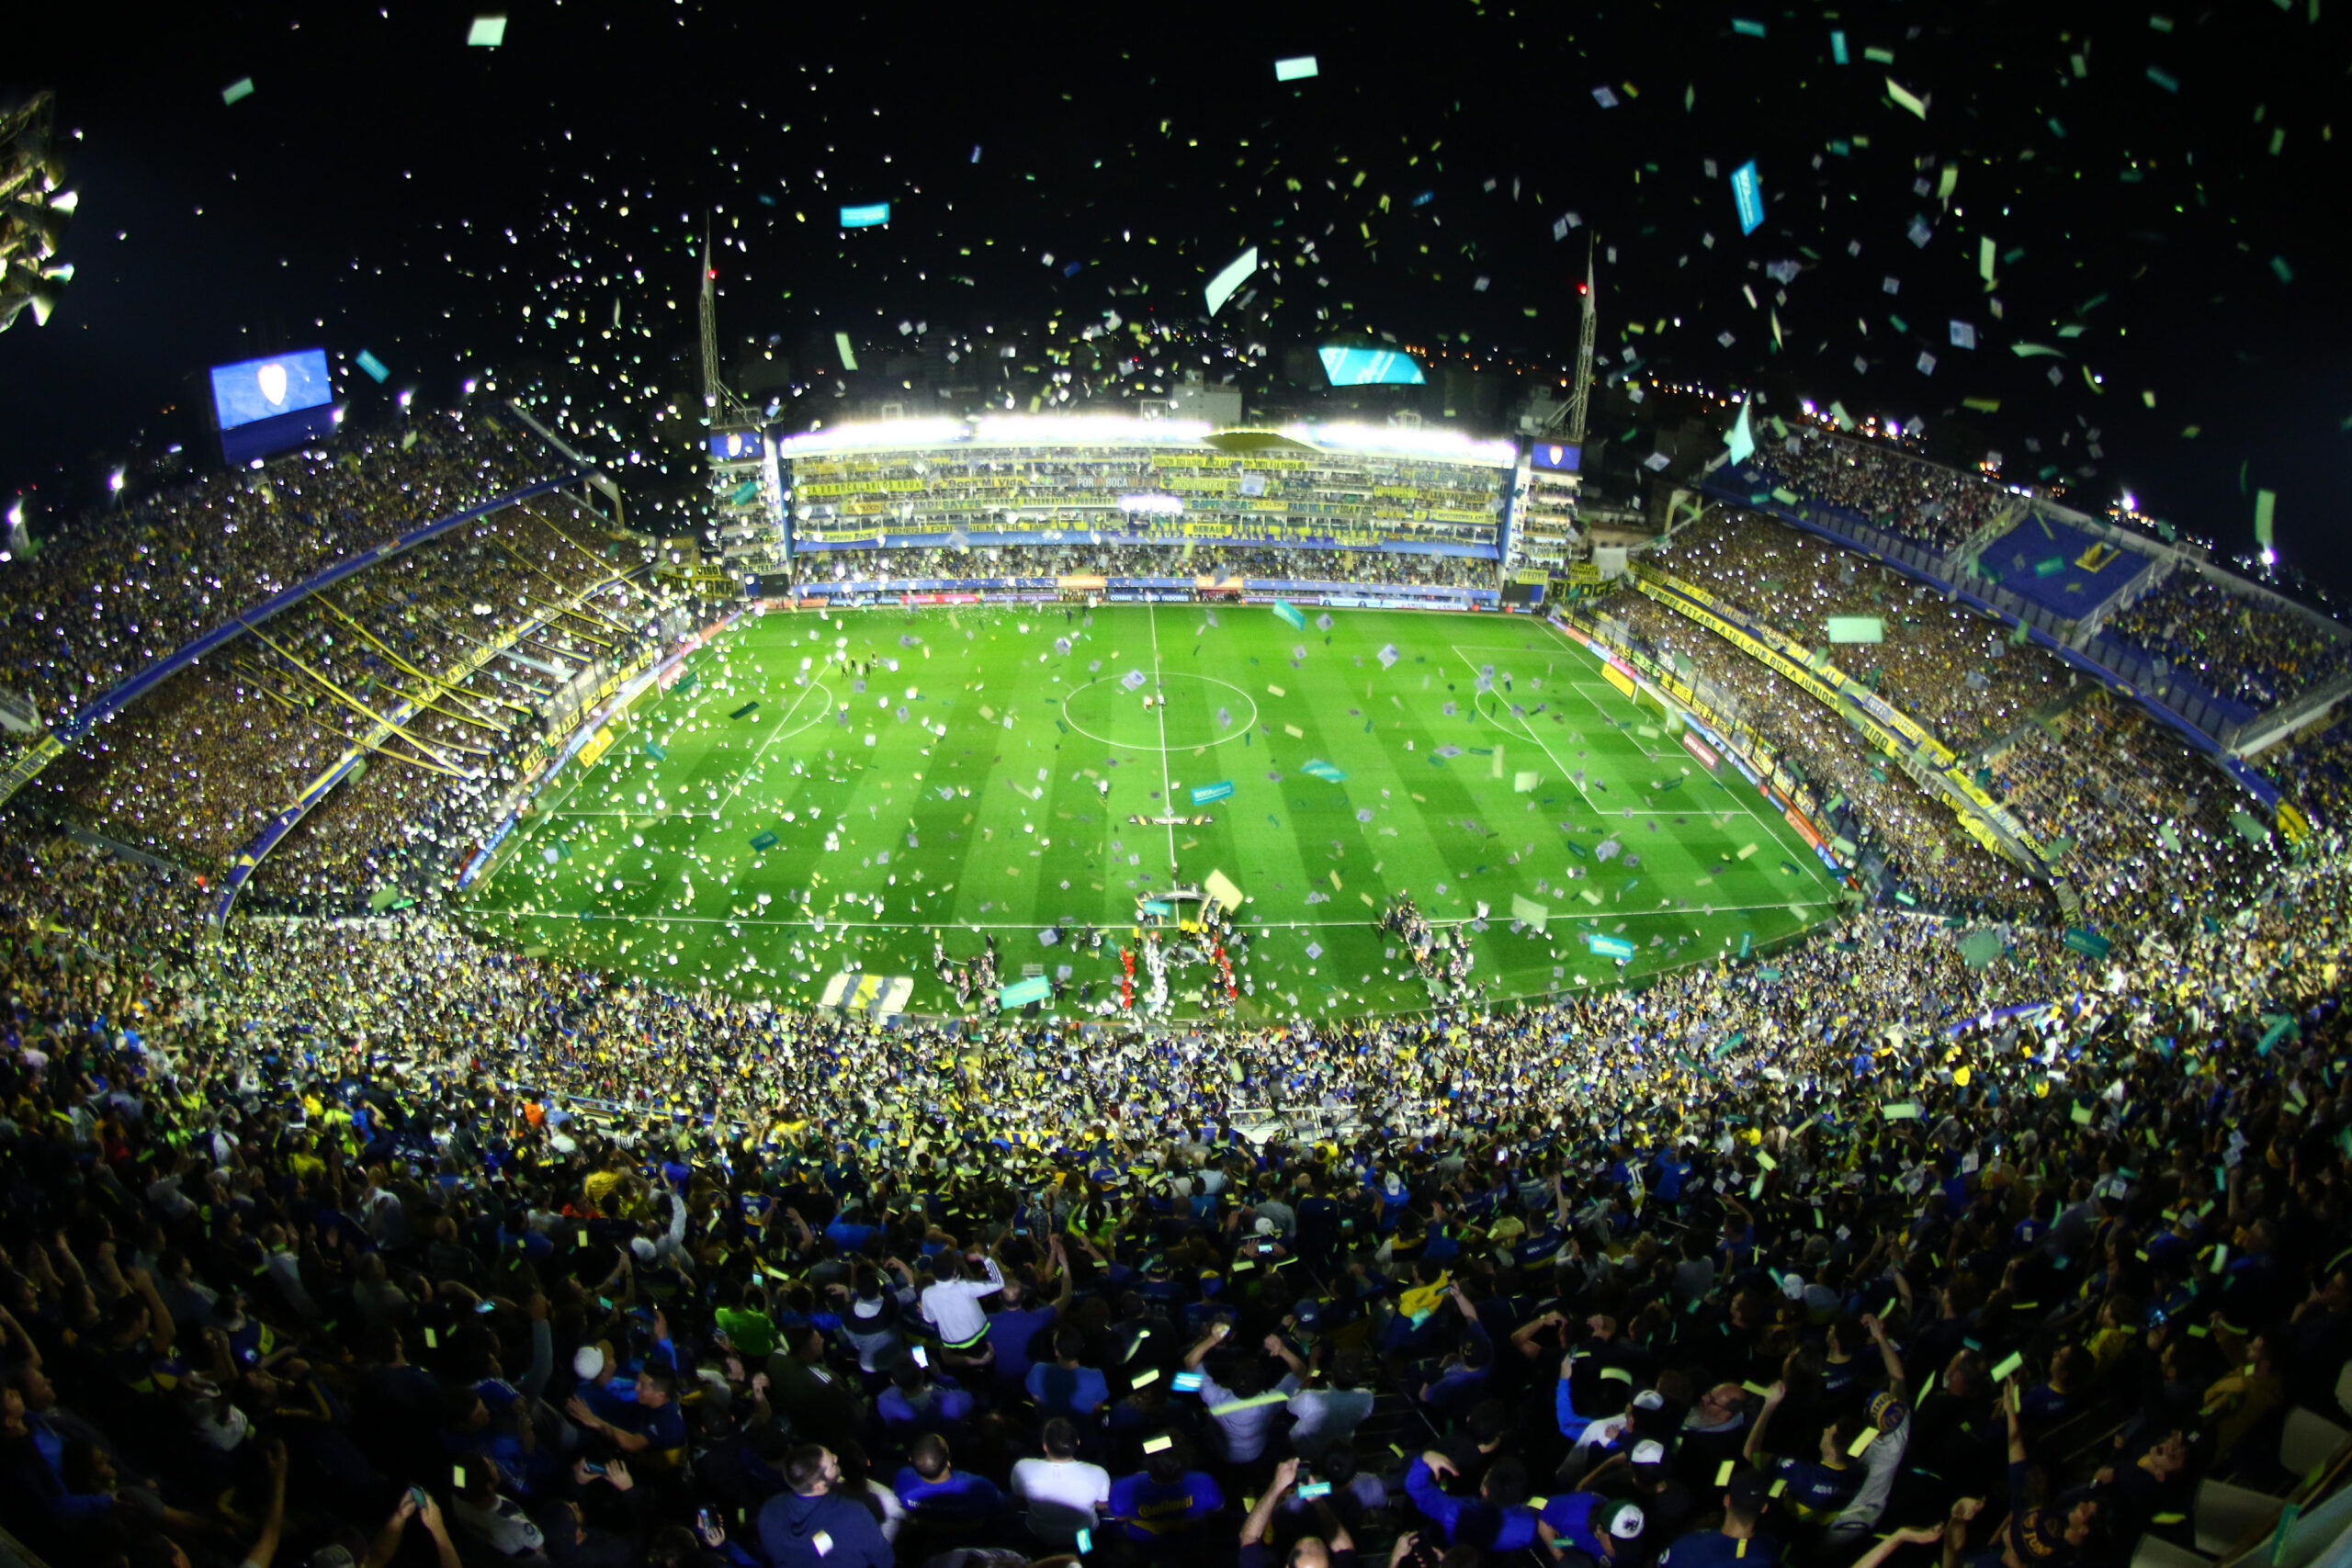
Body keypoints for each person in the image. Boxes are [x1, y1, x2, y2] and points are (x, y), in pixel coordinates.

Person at [757, 1444, 894, 1568]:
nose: (836, 1458)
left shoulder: (768, 1510)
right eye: (832, 1464)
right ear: (819, 1485)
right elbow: (885, 1560)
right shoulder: (854, 1513)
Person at [1009, 1418, 1110, 1545]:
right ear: (1077, 1442)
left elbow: (1018, 1497)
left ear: (1045, 1446)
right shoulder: (1098, 1473)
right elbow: (1101, 1504)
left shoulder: (1022, 1468)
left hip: (1039, 1534)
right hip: (1082, 1536)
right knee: (1084, 1555)